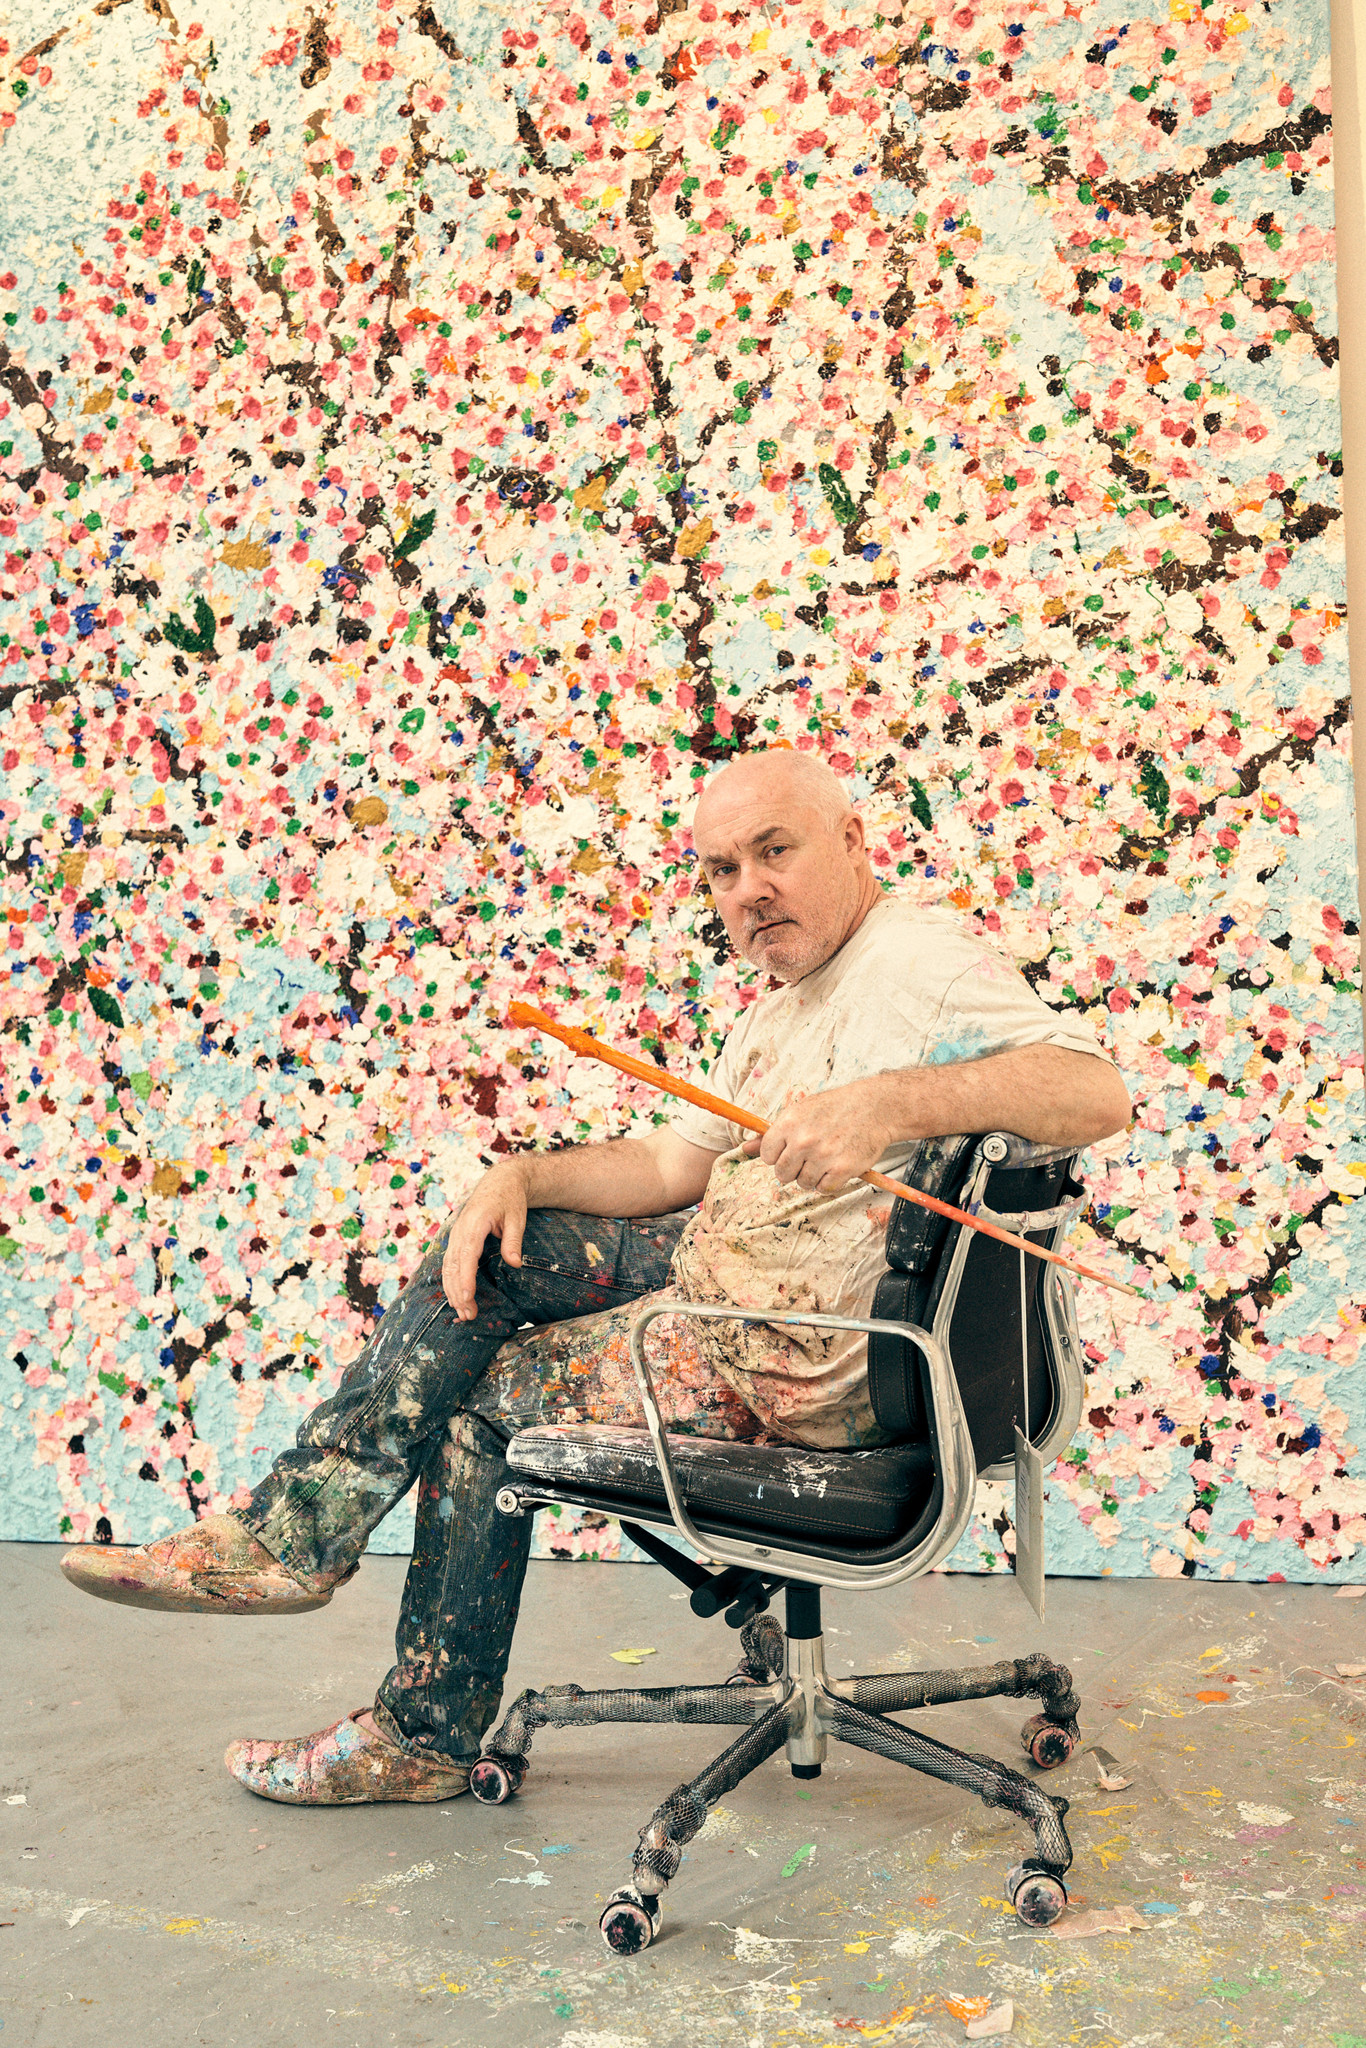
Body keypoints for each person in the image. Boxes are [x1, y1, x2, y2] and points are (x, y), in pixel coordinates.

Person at [62, 749, 1131, 1804]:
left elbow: (1097, 1093)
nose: (749, 891)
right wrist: (520, 1176)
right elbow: (672, 1168)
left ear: (853, 842)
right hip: (745, 1280)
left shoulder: (919, 963)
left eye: (775, 852)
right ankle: (290, 1535)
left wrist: (889, 1104)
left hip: (809, 1355)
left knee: (481, 1405)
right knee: (495, 1249)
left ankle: (420, 1731)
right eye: (722, 870)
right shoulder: (786, 1000)